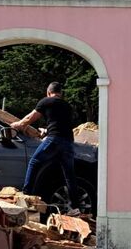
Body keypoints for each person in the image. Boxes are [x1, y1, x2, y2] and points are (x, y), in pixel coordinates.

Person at [11, 82, 82, 216]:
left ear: (48, 92)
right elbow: (60, 124)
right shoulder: (67, 106)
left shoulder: (46, 101)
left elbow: (28, 119)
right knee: (69, 175)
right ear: (60, 93)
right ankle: (76, 208)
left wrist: (17, 125)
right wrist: (46, 131)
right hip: (68, 142)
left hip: (54, 140)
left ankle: (26, 194)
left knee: (34, 162)